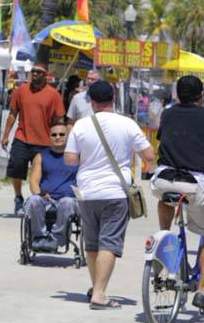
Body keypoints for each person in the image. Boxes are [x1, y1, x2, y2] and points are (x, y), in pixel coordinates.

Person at [64, 81, 154, 310]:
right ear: (113, 99)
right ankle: (100, 294)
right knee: (109, 243)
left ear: (90, 101)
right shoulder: (127, 124)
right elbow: (149, 155)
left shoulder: (81, 126)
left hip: (86, 192)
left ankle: (96, 287)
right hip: (115, 191)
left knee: (92, 243)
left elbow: (70, 159)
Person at [149, 75, 204, 310]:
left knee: (165, 198)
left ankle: (163, 235)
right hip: (193, 182)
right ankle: (201, 290)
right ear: (201, 95)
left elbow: (164, 139)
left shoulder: (168, 114)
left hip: (164, 180)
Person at [0, 63, 65, 216]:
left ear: (46, 75)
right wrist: (5, 135)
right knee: (16, 167)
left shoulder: (54, 94)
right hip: (22, 137)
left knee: (39, 174)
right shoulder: (21, 90)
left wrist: (59, 138)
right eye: (33, 72)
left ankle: (40, 201)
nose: (35, 75)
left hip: (43, 142)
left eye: (39, 72)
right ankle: (18, 198)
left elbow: (59, 119)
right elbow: (12, 114)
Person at [22, 121, 79, 252]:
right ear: (49, 136)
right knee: (33, 200)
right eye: (54, 134)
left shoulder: (76, 156)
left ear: (68, 136)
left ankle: (56, 238)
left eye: (61, 134)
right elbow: (34, 181)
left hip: (68, 199)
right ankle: (39, 237)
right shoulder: (41, 156)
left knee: (67, 202)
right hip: (47, 199)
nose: (57, 137)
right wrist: (40, 194)